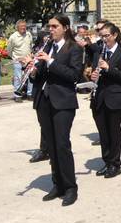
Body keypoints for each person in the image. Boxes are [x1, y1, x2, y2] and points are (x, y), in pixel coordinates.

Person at [26, 14, 83, 206]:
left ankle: (70, 187)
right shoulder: (47, 46)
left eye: (54, 26)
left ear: (65, 27)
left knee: (61, 144)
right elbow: (41, 76)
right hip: (44, 100)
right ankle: (57, 183)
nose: (50, 30)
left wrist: (50, 62)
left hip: (63, 102)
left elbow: (74, 75)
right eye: (49, 26)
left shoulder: (73, 48)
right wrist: (33, 70)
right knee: (50, 145)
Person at [89, 22, 121, 179]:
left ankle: (115, 164)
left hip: (114, 98)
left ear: (114, 35)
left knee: (114, 132)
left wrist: (109, 68)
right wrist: (93, 75)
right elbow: (94, 71)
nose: (104, 39)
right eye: (102, 36)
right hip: (98, 97)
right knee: (103, 133)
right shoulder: (99, 52)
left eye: (107, 36)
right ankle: (107, 162)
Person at [29, 32, 51, 163]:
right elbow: (36, 75)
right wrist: (32, 70)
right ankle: (45, 149)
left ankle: (48, 150)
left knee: (51, 125)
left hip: (52, 93)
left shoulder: (54, 51)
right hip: (40, 92)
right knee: (43, 123)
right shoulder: (41, 50)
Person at [8, 20, 34, 102]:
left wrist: (30, 56)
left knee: (30, 78)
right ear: (17, 27)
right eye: (22, 26)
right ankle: (17, 95)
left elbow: (31, 46)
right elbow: (9, 50)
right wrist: (15, 58)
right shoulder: (13, 37)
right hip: (18, 61)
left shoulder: (29, 34)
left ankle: (30, 94)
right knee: (18, 78)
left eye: (25, 26)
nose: (24, 28)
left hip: (28, 60)